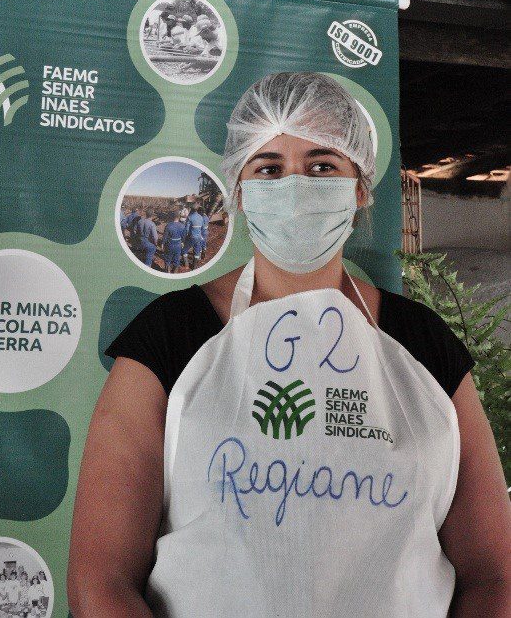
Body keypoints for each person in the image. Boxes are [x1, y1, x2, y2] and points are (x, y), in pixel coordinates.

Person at [68, 72, 511, 617]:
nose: (296, 187)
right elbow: (101, 583)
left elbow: (494, 576)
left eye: (322, 166)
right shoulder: (168, 337)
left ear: (360, 187)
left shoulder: (423, 344)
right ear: (239, 189)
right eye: (269, 168)